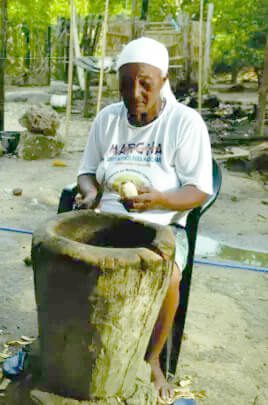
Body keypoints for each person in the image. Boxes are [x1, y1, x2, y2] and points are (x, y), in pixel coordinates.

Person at [76, 37, 213, 400]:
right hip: (106, 220)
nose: (134, 93)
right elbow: (87, 172)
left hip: (162, 225)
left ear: (164, 81)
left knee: (168, 279)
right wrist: (90, 193)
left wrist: (160, 201)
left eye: (145, 84)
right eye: (126, 84)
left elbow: (199, 189)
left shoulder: (185, 123)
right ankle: (83, 343)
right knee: (69, 261)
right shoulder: (107, 119)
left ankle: (152, 359)